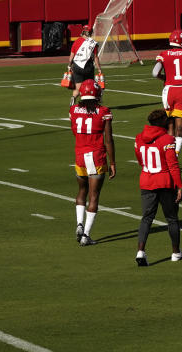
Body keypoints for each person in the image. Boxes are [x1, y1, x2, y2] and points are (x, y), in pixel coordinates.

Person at [134, 110, 182, 265]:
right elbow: (173, 165)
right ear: (162, 121)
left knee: (146, 218)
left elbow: (140, 160)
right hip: (164, 182)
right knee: (172, 218)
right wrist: (180, 186)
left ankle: (140, 251)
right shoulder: (167, 139)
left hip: (147, 180)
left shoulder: (139, 138)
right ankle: (176, 252)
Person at [69, 80, 115, 246]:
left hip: (80, 155)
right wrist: (113, 163)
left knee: (82, 191)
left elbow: (73, 129)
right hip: (96, 156)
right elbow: (108, 140)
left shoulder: (74, 109)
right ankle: (85, 235)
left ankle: (79, 223)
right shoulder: (103, 111)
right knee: (94, 196)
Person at [153, 29, 182, 153]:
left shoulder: (163, 54)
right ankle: (175, 154)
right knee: (180, 128)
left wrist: (166, 77)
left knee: (169, 125)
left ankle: (166, 151)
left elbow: (154, 73)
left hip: (168, 91)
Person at [66, 25, 104, 103]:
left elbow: (71, 56)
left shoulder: (76, 42)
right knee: (90, 85)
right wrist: (99, 69)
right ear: (90, 32)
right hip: (87, 67)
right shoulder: (93, 43)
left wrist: (69, 66)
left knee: (77, 88)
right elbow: (96, 57)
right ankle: (90, 103)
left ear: (83, 31)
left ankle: (74, 97)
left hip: (76, 66)